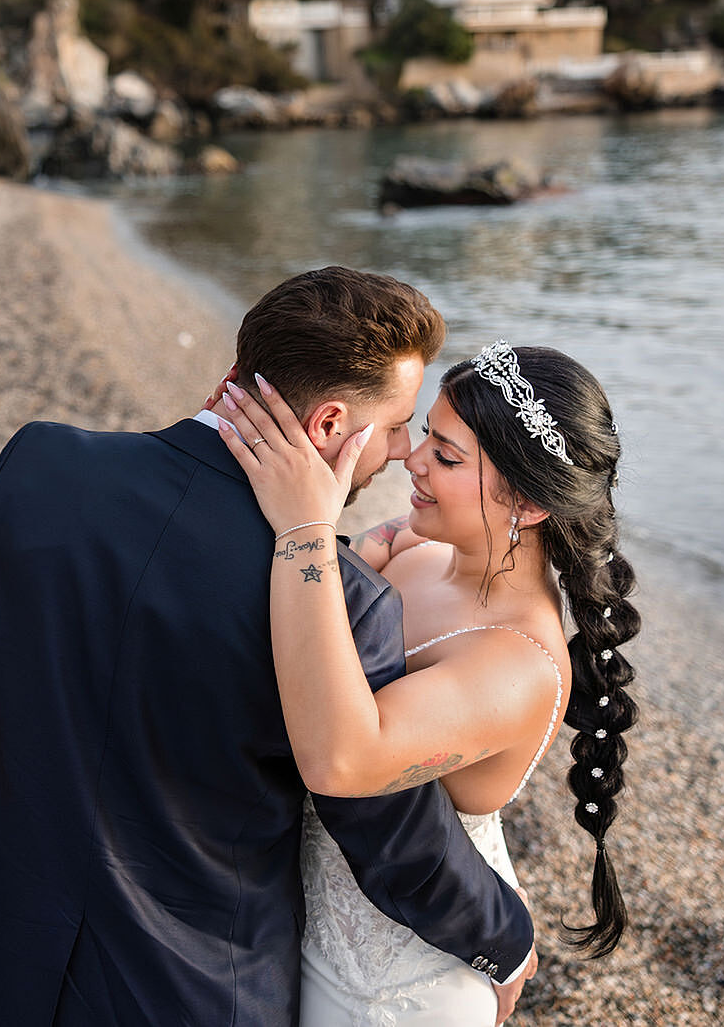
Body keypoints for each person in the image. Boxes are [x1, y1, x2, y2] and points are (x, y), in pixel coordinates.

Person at [0, 269, 537, 1026]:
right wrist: (505, 939)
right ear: (327, 425)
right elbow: (385, 826)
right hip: (184, 985)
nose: (398, 451)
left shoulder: (41, 465)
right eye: (394, 426)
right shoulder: (343, 600)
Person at [212, 341, 640, 1025]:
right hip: (291, 921)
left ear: (527, 502)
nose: (410, 458)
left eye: (444, 455)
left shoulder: (518, 661)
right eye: (426, 437)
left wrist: (304, 526)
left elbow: (342, 758)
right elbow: (338, 572)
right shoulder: (418, 545)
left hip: (395, 977)